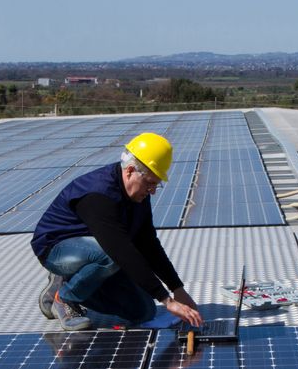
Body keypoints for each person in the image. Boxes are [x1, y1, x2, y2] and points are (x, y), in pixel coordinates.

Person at [31, 132, 204, 332]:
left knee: (144, 311)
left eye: (157, 184)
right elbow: (121, 251)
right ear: (130, 170)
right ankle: (65, 298)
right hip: (57, 248)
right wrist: (167, 300)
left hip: (99, 250)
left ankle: (67, 283)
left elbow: (148, 243)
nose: (153, 191)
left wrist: (177, 289)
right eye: (150, 183)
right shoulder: (98, 195)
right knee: (110, 257)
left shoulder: (139, 194)